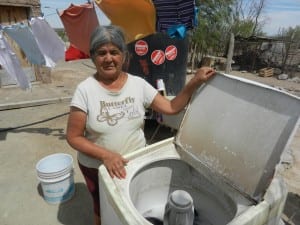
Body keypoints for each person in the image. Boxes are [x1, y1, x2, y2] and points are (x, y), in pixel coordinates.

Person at [66, 25, 215, 225]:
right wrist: (106, 155)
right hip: (97, 166)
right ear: (93, 57)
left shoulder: (138, 84)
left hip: (133, 161)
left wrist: (193, 82)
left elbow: (171, 107)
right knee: (102, 209)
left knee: (130, 208)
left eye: (114, 52)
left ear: (124, 56)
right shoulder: (84, 90)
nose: (108, 58)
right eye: (101, 53)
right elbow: (74, 136)